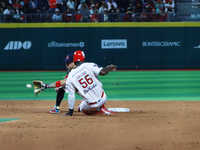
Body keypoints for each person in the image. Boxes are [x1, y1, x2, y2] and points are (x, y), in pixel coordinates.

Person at [65, 50, 118, 116]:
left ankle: (99, 111)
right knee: (95, 86)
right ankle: (102, 107)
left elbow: (71, 95)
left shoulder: (71, 75)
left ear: (74, 60)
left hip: (92, 105)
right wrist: (109, 67)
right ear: (83, 58)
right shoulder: (89, 65)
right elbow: (103, 72)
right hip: (103, 97)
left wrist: (70, 111)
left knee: (81, 108)